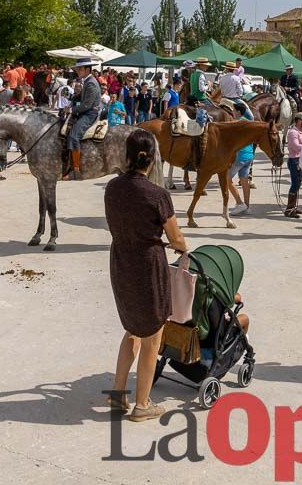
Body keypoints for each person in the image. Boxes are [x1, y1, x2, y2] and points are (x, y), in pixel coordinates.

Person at [104, 129, 189, 422]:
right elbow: (176, 238)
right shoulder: (157, 194)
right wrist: (180, 246)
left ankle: (118, 395)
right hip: (148, 266)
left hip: (121, 262)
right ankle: (142, 405)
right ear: (152, 160)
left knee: (131, 330)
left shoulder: (112, 188)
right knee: (152, 335)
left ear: (127, 157)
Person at [64, 58, 102, 180]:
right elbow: (80, 96)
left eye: (80, 69)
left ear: (87, 69)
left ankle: (76, 170)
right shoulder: (87, 81)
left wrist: (70, 110)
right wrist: (71, 97)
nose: (78, 71)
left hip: (90, 113)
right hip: (87, 111)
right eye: (77, 69)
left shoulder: (91, 83)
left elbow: (87, 105)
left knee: (74, 135)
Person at [283, 112, 302, 218]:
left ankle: (294, 207)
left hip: (300, 160)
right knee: (295, 184)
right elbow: (295, 146)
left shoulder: (301, 131)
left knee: (297, 184)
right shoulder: (293, 132)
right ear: (299, 120)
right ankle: (289, 209)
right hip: (295, 161)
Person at [227, 143, 254, 216]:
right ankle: (247, 207)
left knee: (226, 180)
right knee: (244, 181)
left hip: (239, 156)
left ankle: (240, 203)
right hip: (249, 155)